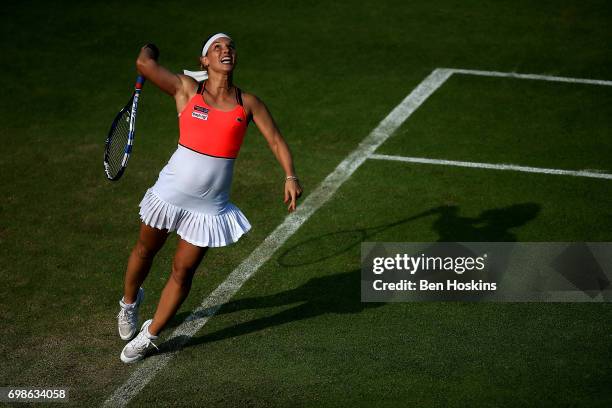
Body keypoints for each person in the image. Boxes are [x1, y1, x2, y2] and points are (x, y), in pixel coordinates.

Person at [116, 33, 303, 363]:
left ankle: (150, 335)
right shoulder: (187, 89)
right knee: (145, 249)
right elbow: (144, 64)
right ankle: (129, 303)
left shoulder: (249, 103)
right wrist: (150, 46)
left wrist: (290, 175)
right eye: (217, 47)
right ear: (205, 61)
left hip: (208, 206)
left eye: (230, 46)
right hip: (170, 192)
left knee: (183, 272)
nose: (226, 50)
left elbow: (275, 140)